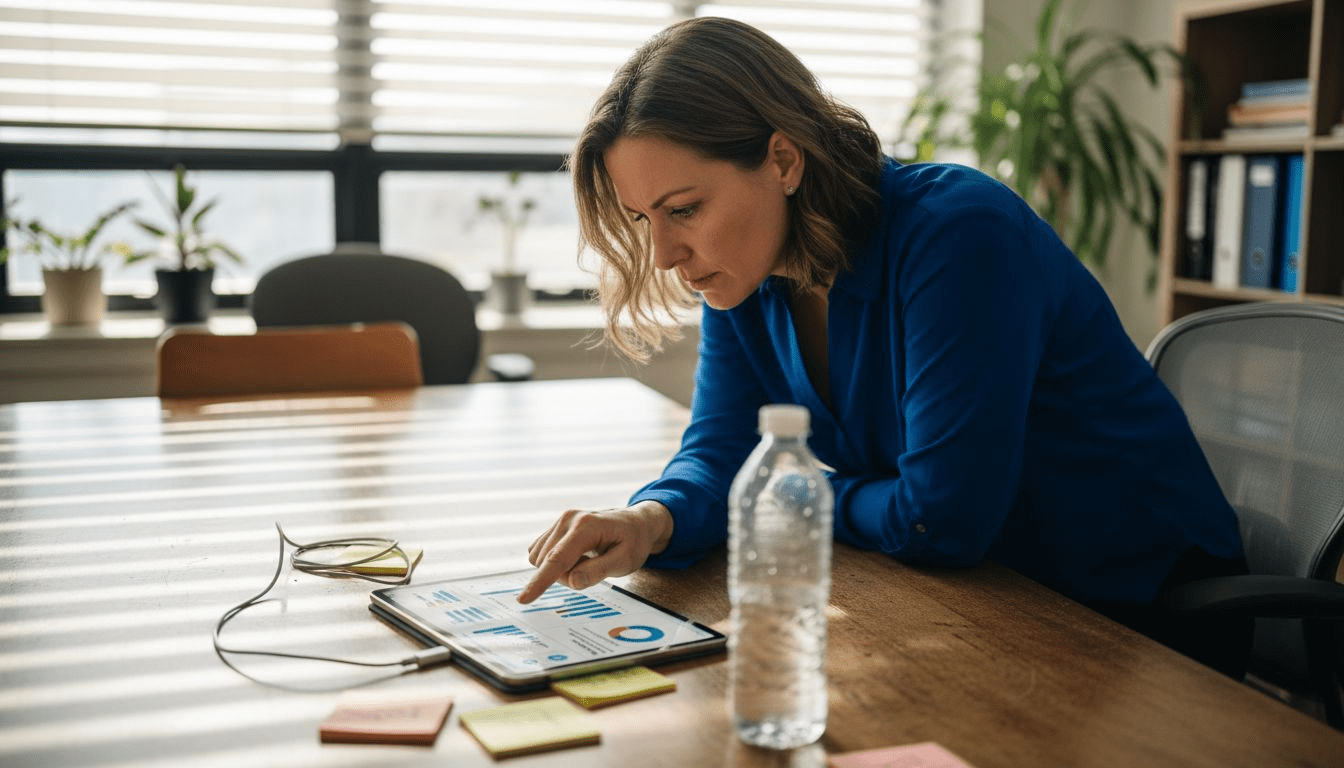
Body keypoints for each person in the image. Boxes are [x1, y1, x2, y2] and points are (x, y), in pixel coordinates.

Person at [519, 17, 1250, 675]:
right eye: (644, 218)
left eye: (683, 209)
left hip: (1137, 616)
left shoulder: (959, 236)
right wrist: (650, 521)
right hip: (989, 602)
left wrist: (790, 493)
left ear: (782, 160)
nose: (668, 252)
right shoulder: (745, 272)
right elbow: (720, 451)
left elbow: (940, 520)